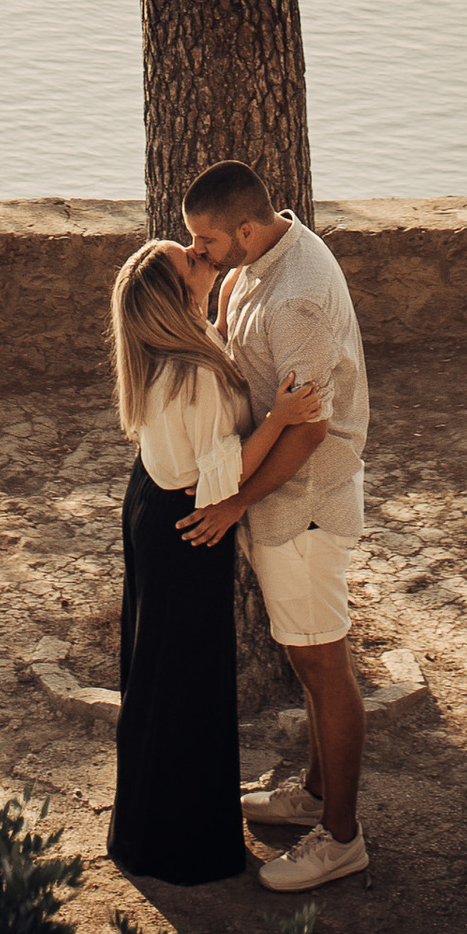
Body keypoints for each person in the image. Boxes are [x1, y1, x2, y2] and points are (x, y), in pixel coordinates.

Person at [179, 159, 373, 891]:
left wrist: (233, 502)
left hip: (306, 508)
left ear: (247, 228)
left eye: (207, 240)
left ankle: (343, 838)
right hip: (288, 504)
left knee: (324, 666)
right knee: (311, 659)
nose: (199, 251)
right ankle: (318, 798)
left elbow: (308, 432)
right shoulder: (272, 253)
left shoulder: (296, 300)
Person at [105, 237, 324, 884]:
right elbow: (219, 477)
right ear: (177, 300)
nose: (204, 257)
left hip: (151, 502)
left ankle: (146, 827)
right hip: (188, 522)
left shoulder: (163, 352)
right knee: (186, 682)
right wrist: (281, 416)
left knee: (155, 675)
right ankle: (181, 847)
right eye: (192, 263)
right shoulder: (193, 373)